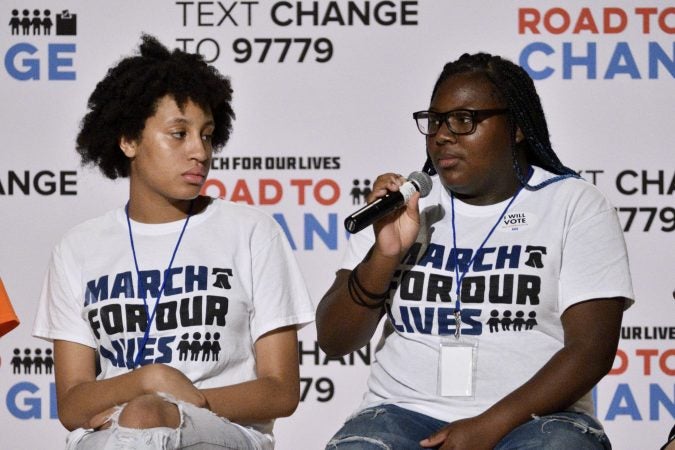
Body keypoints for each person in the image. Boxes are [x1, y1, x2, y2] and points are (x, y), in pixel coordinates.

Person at [317, 52, 634, 449]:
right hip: (400, 413)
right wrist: (385, 252)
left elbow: (591, 351)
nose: (443, 135)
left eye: (464, 120)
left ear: (516, 127)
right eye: (434, 122)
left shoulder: (573, 204)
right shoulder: (405, 206)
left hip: (538, 420)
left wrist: (488, 426)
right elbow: (334, 339)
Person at [32, 34, 314, 450]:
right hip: (111, 432)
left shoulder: (251, 231)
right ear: (128, 140)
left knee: (148, 413)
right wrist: (150, 380)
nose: (200, 151)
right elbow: (73, 405)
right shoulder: (79, 247)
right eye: (178, 134)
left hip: (224, 433)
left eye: (207, 134)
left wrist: (181, 404)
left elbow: (280, 391)